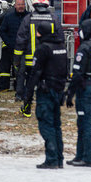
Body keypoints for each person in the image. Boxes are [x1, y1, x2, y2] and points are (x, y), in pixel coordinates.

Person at [23, 21, 68, 169]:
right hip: (58, 90)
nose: (36, 34)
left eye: (37, 32)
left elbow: (35, 73)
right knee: (56, 126)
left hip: (46, 91)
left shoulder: (43, 49)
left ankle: (52, 159)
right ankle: (59, 159)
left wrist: (27, 96)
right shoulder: (61, 46)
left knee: (46, 125)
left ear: (41, 33)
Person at [65, 19, 91, 167]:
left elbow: (77, 73)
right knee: (82, 121)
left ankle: (87, 158)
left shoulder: (84, 48)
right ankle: (79, 155)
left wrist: (70, 94)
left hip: (86, 88)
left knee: (85, 123)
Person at [13, 0, 62, 112]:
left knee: (30, 84)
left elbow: (21, 40)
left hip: (31, 60)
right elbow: (60, 39)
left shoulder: (28, 18)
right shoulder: (54, 18)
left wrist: (17, 60)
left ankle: (27, 107)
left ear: (34, 5)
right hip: (48, 60)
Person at [0, 0, 29, 91]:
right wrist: (9, 43)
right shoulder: (9, 16)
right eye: (19, 5)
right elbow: (2, 31)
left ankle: (18, 88)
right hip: (9, 47)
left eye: (22, 4)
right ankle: (3, 88)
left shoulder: (29, 17)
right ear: (15, 5)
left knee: (20, 69)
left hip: (24, 48)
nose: (21, 7)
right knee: (4, 68)